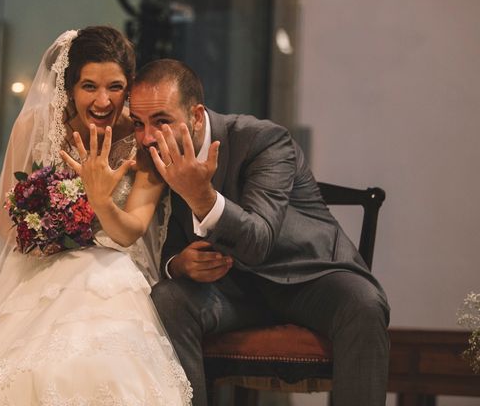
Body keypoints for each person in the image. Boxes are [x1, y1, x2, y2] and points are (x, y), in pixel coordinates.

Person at [0, 27, 192, 405]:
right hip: (40, 265)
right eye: (89, 86)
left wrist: (100, 200)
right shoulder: (35, 126)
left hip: (111, 268)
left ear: (129, 86)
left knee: (95, 369)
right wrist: (43, 239)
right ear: (70, 86)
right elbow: (5, 215)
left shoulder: (142, 139)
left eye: (114, 87)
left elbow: (131, 230)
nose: (102, 100)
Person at [128, 58, 390, 406]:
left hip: (308, 275)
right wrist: (179, 264)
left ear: (195, 115)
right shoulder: (161, 153)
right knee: (168, 299)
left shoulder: (263, 141)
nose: (147, 137)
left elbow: (259, 242)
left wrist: (200, 196)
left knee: (364, 304)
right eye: (138, 123)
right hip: (232, 290)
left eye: (160, 121)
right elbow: (170, 245)